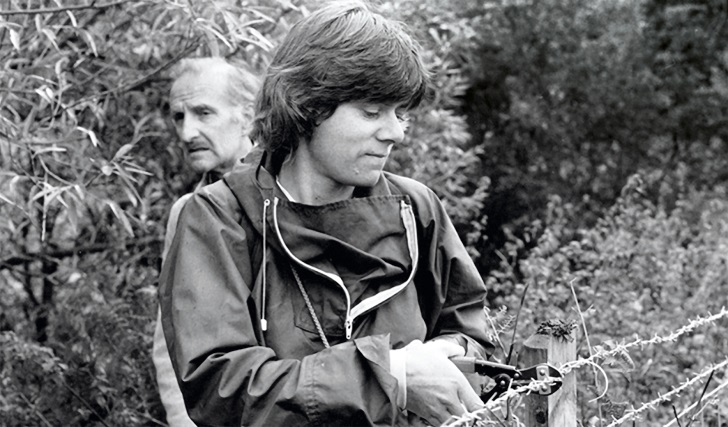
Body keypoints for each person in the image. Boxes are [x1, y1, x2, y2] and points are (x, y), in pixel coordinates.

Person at [159, 2, 494, 426]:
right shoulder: (217, 220)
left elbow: (471, 328)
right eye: (371, 112)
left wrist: (451, 354)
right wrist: (390, 376)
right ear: (306, 106)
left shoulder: (417, 210)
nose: (394, 132)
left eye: (399, 113)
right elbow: (220, 388)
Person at [152, 57, 260, 427]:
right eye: (179, 117)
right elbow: (172, 339)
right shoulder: (188, 212)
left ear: (247, 116)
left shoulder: (295, 192)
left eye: (203, 113)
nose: (186, 133)